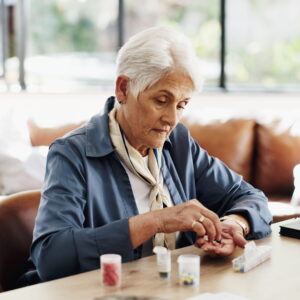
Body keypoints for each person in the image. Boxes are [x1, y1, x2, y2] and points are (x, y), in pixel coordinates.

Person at [23, 26, 272, 285]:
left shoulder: (177, 142)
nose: (172, 119)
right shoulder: (72, 153)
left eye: (181, 105)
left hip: (173, 287)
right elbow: (51, 256)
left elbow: (249, 196)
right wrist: (156, 221)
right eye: (161, 101)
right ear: (123, 89)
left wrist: (235, 223)